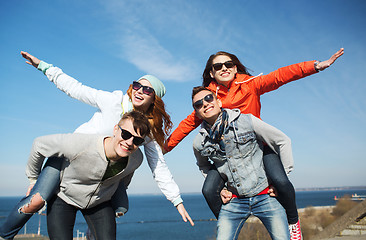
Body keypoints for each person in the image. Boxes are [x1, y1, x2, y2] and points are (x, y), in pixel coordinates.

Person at [0, 52, 193, 240]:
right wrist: (43, 67)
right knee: (35, 201)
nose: (140, 90)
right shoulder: (113, 101)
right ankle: (4, 234)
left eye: (148, 90)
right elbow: (76, 88)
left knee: (126, 170)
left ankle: (116, 202)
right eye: (137, 85)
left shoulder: (146, 129)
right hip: (69, 158)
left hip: (100, 171)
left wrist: (176, 200)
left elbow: (158, 165)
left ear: (154, 99)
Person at [165, 48, 344, 239]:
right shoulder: (208, 99)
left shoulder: (250, 85)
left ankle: (293, 222)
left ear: (235, 68)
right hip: (227, 155)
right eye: (218, 66)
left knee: (282, 181)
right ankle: (229, 220)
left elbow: (280, 76)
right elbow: (185, 126)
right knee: (209, 190)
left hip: (257, 147)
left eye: (228, 64)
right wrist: (162, 149)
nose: (224, 68)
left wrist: (315, 66)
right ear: (212, 73)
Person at [4, 111, 151, 240]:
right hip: (64, 197)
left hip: (99, 202)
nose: (129, 142)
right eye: (126, 134)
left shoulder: (136, 159)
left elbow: (124, 179)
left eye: (137, 140)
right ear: (115, 130)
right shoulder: (81, 145)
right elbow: (39, 145)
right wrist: (33, 179)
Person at [192, 86, 294, 240]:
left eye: (208, 98)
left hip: (266, 196)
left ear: (218, 102)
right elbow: (204, 166)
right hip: (234, 201)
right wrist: (220, 190)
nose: (205, 104)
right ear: (197, 112)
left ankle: (294, 222)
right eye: (198, 104)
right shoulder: (199, 142)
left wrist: (281, 179)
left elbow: (283, 141)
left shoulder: (247, 121)